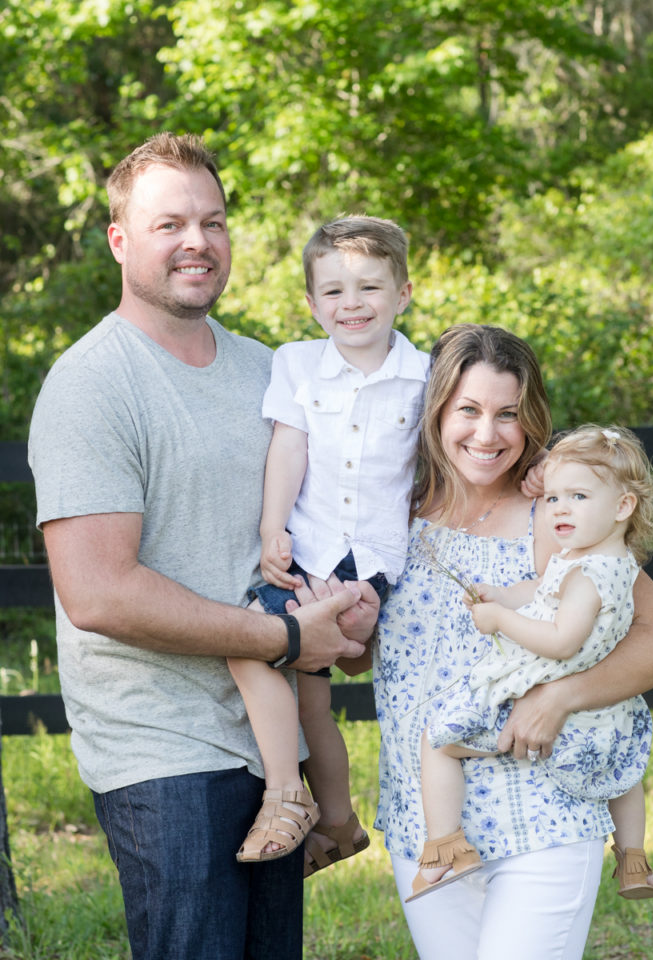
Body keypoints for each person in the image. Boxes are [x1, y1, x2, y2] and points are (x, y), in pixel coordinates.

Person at [27, 132, 378, 960]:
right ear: (120, 240)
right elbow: (100, 593)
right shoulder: (91, 386)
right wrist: (289, 637)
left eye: (213, 221)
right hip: (163, 753)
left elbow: (337, 513)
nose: (197, 241)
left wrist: (349, 618)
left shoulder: (273, 370)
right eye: (169, 224)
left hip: (274, 744)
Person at [363, 323, 653, 960]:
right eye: (468, 410)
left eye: (507, 414)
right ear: (435, 412)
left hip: (540, 810)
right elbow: (358, 656)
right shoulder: (392, 512)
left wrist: (560, 696)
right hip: (427, 822)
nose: (487, 435)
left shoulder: (558, 513)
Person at [230, 215, 428, 873]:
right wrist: (272, 528)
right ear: (312, 302)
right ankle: (337, 820)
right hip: (309, 549)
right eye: (334, 292)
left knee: (260, 646)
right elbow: (289, 448)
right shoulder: (297, 364)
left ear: (403, 293)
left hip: (373, 563)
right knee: (295, 682)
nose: (352, 305)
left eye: (370, 288)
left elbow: (442, 466)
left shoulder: (425, 377)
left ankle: (290, 798)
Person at [413, 424, 653, 902]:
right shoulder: (611, 563)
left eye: (577, 496)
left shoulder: (586, 576)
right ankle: (633, 860)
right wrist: (507, 595)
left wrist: (499, 618)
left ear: (623, 506)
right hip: (606, 709)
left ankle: (445, 845)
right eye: (552, 498)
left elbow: (560, 640)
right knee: (624, 773)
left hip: (546, 696)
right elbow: (546, 592)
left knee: (438, 739)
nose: (560, 508)